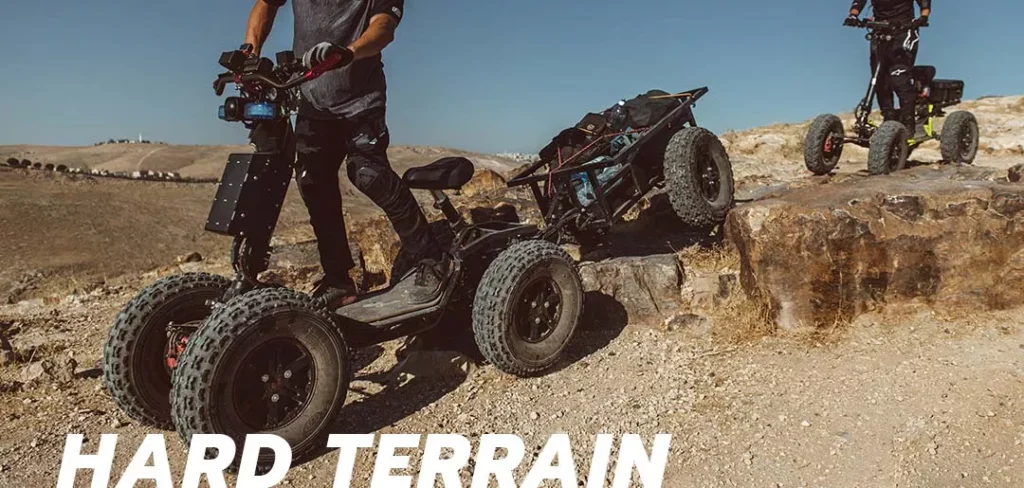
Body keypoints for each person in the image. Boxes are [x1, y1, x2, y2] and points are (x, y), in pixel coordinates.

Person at [243, 0, 444, 307]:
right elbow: (265, 4)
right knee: (313, 184)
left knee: (369, 174)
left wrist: (347, 52)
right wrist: (250, 51)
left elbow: (384, 28)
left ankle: (430, 255)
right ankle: (338, 280)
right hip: (312, 103)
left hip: (361, 101)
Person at [845, 0, 931, 137]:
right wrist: (853, 16)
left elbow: (925, 3)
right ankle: (888, 119)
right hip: (879, 30)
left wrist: (923, 17)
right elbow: (859, 2)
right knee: (879, 79)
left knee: (899, 78)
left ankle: (909, 124)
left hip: (904, 30)